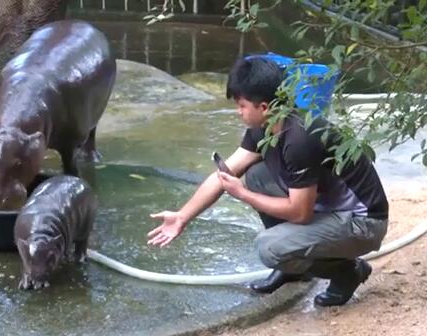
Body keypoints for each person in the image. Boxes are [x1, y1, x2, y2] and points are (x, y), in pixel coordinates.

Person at [147, 57, 389, 307]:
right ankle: (294, 269)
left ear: (263, 107)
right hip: (331, 209)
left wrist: (242, 194)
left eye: (241, 105)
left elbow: (300, 213)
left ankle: (346, 272)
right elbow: (223, 176)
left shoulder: (299, 139)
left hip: (364, 223)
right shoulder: (266, 127)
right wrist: (182, 217)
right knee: (257, 175)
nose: (238, 112)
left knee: (269, 248)